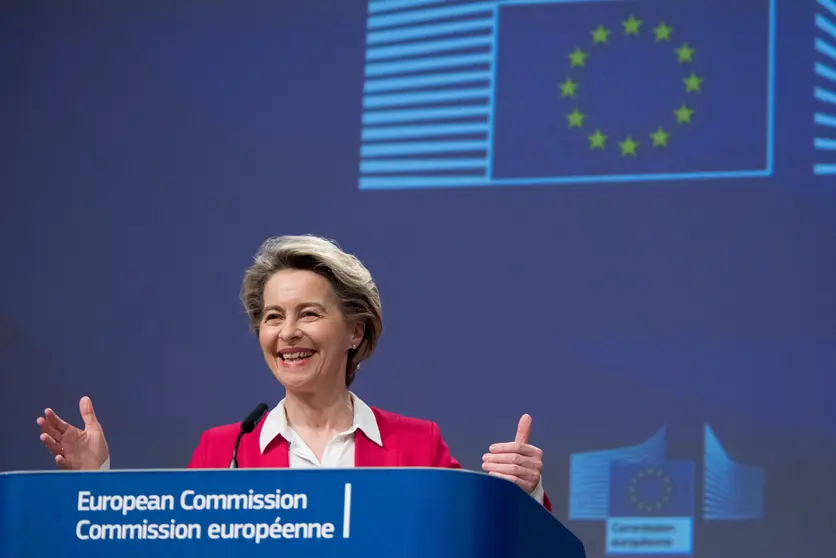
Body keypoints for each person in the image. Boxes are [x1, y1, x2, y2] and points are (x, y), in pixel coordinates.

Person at [37, 234, 551, 510]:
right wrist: (95, 486)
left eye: (309, 314)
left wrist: (523, 493)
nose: (287, 334)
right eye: (272, 317)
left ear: (355, 331)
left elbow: (492, 546)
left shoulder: (418, 447)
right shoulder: (224, 452)